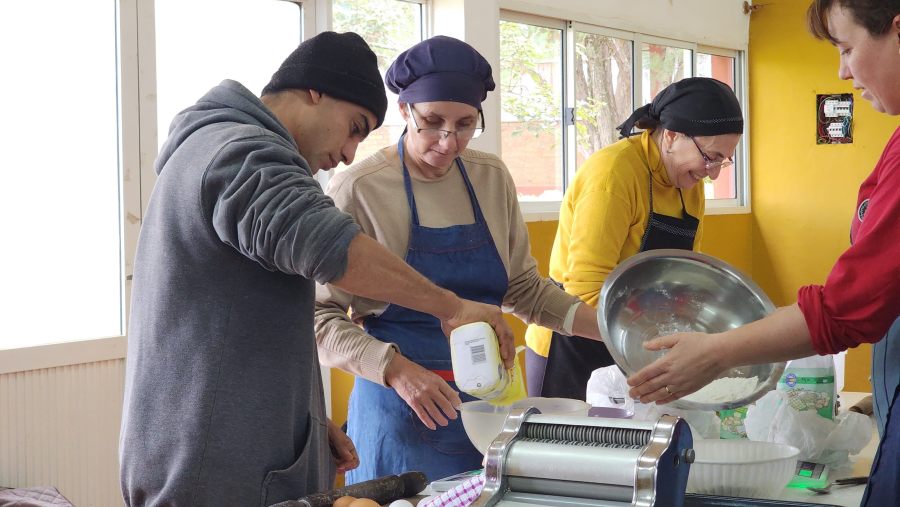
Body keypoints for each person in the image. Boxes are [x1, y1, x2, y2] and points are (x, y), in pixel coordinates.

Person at [118, 31, 515, 507]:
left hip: (231, 443)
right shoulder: (237, 152)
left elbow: (238, 329)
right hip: (209, 464)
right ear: (315, 92)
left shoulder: (224, 149)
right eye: (354, 127)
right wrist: (451, 307)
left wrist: (303, 420)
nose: (348, 153)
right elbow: (330, 248)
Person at [627, 1, 899, 504]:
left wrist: (717, 351)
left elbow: (846, 309)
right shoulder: (616, 175)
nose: (843, 71)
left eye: (846, 48)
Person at [314, 36, 602, 484]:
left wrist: (615, 333)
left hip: (490, 408)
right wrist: (396, 371)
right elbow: (319, 318)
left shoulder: (491, 177)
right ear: (405, 111)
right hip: (401, 409)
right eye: (432, 122)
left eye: (465, 124)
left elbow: (524, 290)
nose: (449, 142)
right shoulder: (361, 188)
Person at [524, 77, 744, 400]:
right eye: (710, 157)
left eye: (723, 160)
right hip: (573, 342)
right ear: (671, 136)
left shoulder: (689, 185)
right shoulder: (613, 175)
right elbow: (585, 290)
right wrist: (651, 337)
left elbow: (686, 273)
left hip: (635, 342)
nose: (713, 173)